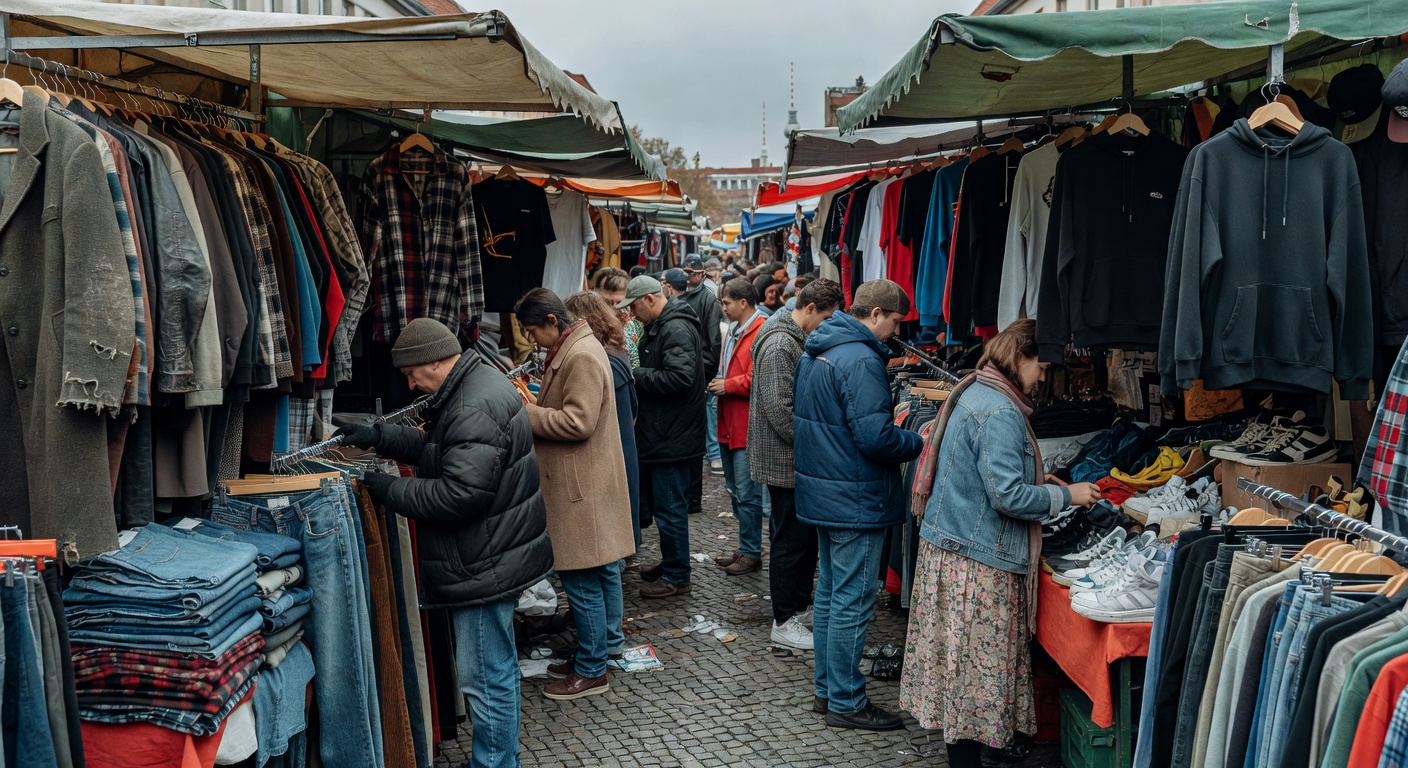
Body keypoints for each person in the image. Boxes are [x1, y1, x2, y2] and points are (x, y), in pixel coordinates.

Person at [334, 317, 553, 768]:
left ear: (432, 362)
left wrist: (389, 490)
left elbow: (460, 494)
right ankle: (499, 759)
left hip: (482, 563)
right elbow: (440, 450)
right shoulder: (472, 387)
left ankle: (493, 763)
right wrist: (379, 436)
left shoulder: (473, 403)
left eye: (411, 373)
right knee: (495, 670)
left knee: (486, 678)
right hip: (491, 554)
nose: (410, 385)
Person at [900, 319, 1102, 767]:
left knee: (961, 672)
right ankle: (968, 762)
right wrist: (1068, 493)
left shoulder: (975, 391)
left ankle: (969, 756)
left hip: (955, 549)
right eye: (1042, 366)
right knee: (973, 676)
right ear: (1021, 357)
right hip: (977, 561)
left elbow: (984, 476)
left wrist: (1036, 479)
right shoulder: (1000, 411)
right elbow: (1007, 495)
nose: (1044, 377)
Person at [793, 279, 924, 732]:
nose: (895, 331)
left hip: (828, 492)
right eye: (894, 322)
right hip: (855, 496)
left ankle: (829, 693)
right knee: (849, 601)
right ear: (874, 314)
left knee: (831, 596)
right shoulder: (861, 357)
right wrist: (920, 439)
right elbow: (877, 438)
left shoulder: (819, 348)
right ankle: (846, 702)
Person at [513, 290, 635, 701]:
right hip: (586, 484)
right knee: (595, 576)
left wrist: (525, 412)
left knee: (581, 581)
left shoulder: (580, 354)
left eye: (534, 331)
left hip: (579, 490)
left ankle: (591, 669)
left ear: (552, 321)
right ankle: (593, 653)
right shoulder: (581, 345)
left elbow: (578, 422)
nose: (533, 340)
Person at [749, 278, 844, 651]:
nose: (828, 325)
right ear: (808, 309)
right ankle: (784, 620)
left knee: (799, 540)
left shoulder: (788, 335)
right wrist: (820, 444)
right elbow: (780, 411)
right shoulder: (779, 342)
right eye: (826, 318)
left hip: (791, 460)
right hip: (784, 462)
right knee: (789, 542)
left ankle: (795, 611)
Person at [617, 276, 707, 599]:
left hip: (672, 435)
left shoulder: (675, 328)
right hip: (667, 432)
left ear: (651, 299)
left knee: (670, 508)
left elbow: (680, 378)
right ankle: (673, 562)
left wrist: (634, 374)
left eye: (635, 306)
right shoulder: (665, 325)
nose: (632, 314)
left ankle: (678, 574)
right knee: (666, 506)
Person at [565, 290, 641, 567]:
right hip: (621, 445)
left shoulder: (602, 357)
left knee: (612, 534)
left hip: (614, 448)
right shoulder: (612, 349)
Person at [708, 278, 768, 576]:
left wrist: (727, 385)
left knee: (747, 493)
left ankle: (751, 551)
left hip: (745, 425)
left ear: (743, 302)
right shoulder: (734, 329)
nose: (724, 308)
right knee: (735, 490)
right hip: (729, 420)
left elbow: (761, 378)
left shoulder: (762, 330)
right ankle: (746, 547)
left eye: (727, 303)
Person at [677, 257, 725, 489]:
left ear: (701, 274)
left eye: (692, 273)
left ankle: (712, 454)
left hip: (699, 367)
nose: (689, 277)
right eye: (686, 272)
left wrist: (707, 369)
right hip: (693, 366)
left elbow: (713, 338)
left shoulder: (707, 299)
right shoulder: (694, 297)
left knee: (704, 413)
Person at [593, 267, 641, 367]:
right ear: (595, 295)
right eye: (607, 302)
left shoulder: (637, 325)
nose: (614, 307)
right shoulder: (588, 324)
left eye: (620, 303)